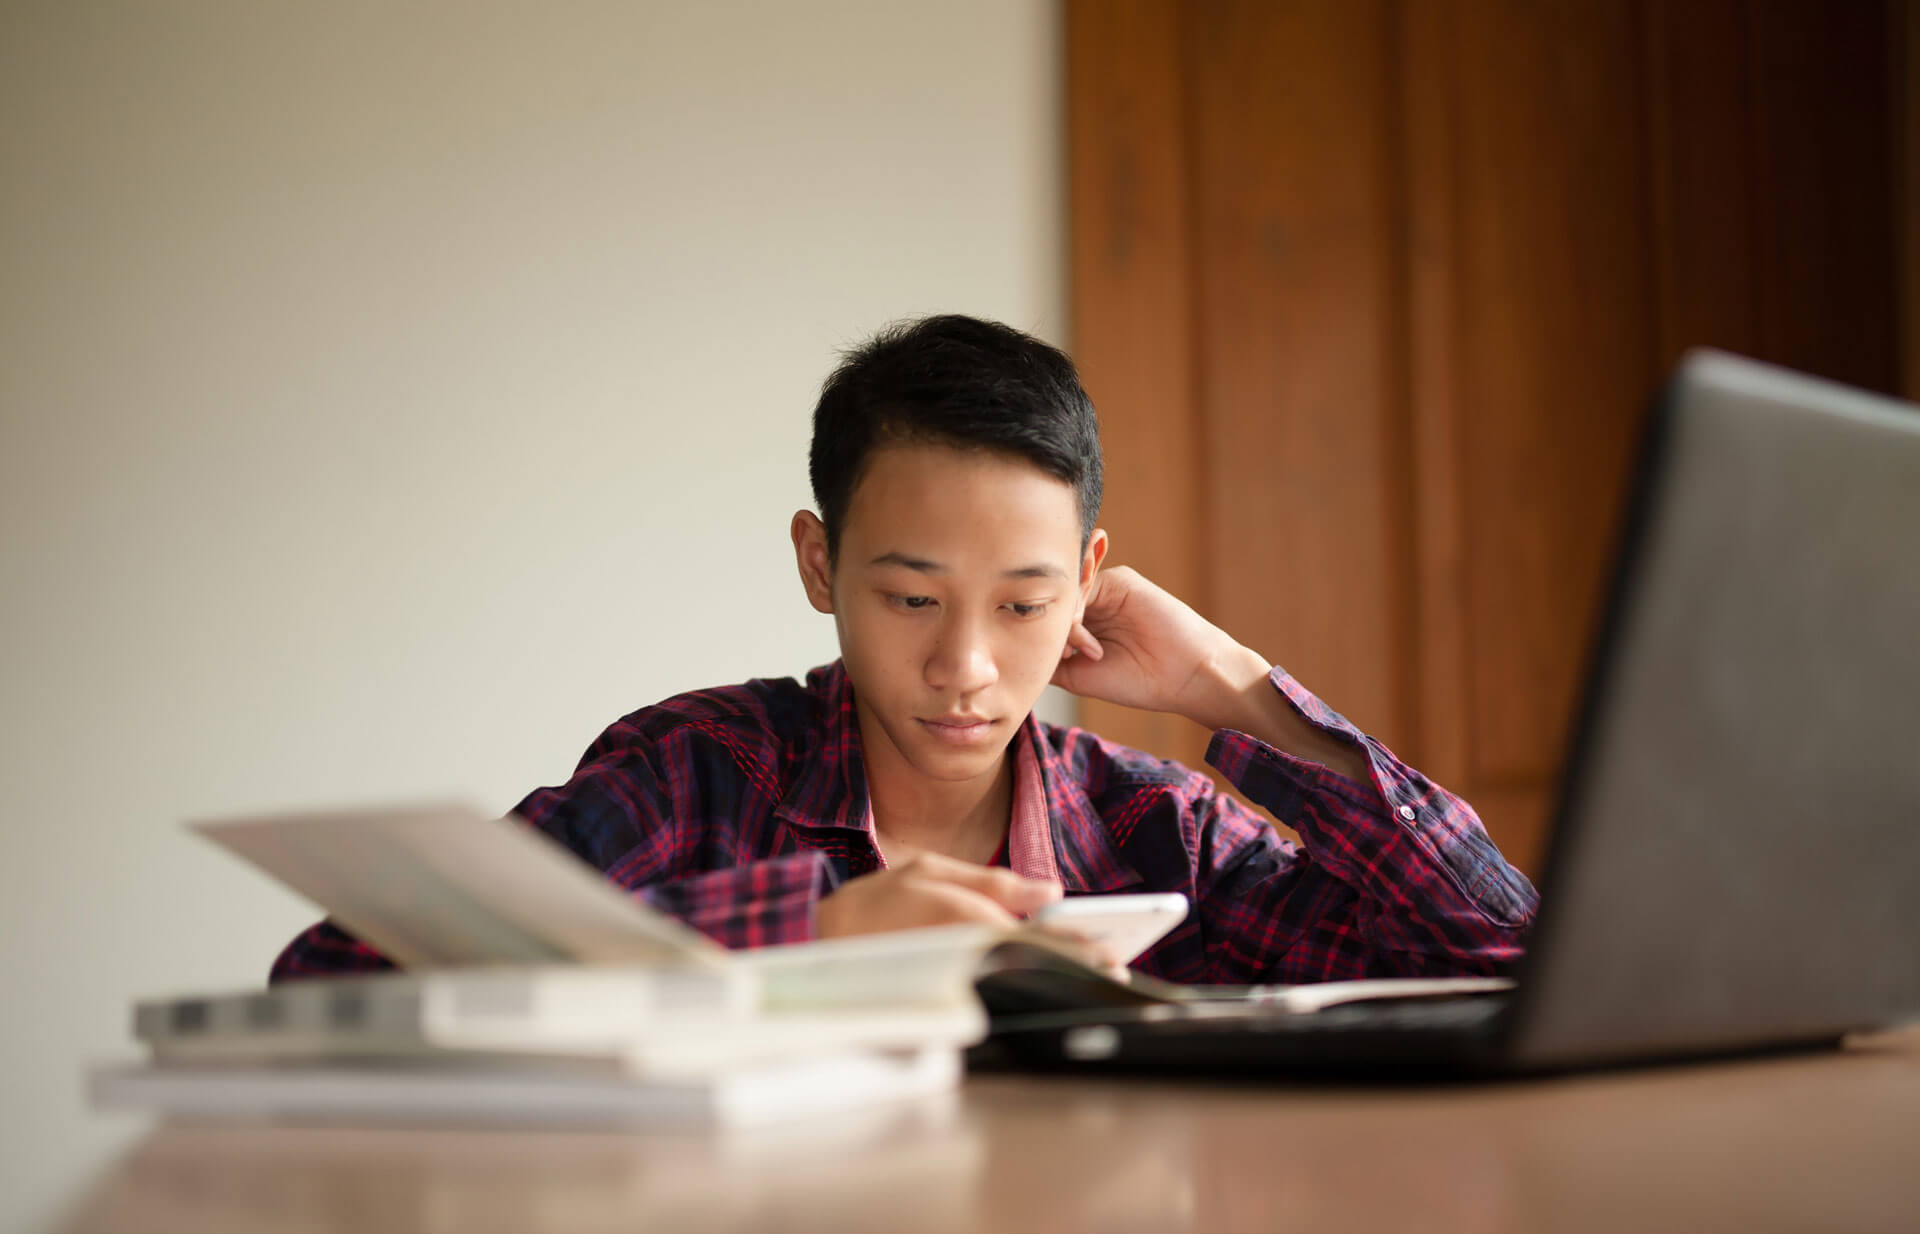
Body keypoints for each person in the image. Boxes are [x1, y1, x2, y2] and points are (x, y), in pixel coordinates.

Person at [272, 315, 1537, 985]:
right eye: (914, 599)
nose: (969, 667)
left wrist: (1236, 691)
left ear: (1091, 581)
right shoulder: (698, 774)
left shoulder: (1153, 835)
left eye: (1026, 604)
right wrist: (805, 932)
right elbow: (335, 973)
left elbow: (1507, 959)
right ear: (820, 564)